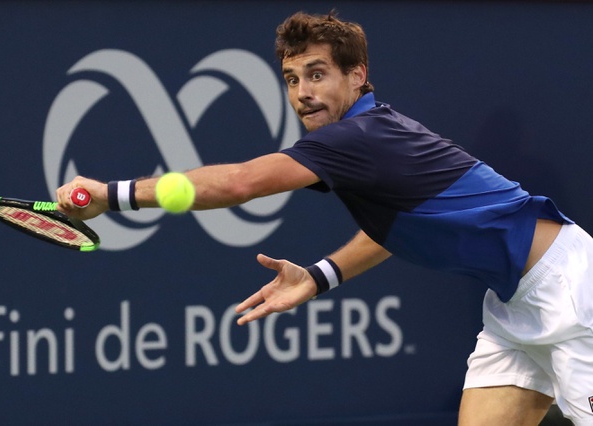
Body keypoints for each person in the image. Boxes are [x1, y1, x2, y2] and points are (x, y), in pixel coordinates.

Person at [56, 11, 593, 426]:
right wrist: (319, 276)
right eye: (291, 79)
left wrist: (111, 195)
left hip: (572, 291)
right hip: (514, 309)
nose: (303, 94)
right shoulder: (366, 138)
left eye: (317, 75)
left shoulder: (359, 137)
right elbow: (394, 231)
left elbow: (241, 182)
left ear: (358, 76)